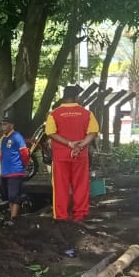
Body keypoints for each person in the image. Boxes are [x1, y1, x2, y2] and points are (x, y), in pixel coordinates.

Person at [45, 85, 99, 222]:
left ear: (64, 97)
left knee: (60, 186)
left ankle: (61, 216)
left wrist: (69, 143)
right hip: (80, 156)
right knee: (81, 185)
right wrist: (80, 145)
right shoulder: (87, 113)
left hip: (60, 156)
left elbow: (50, 133)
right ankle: (79, 215)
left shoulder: (54, 114)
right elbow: (93, 132)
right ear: (76, 97)